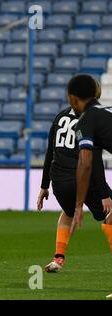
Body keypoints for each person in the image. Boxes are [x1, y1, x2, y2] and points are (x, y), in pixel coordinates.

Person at [37, 79, 112, 272]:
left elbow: (49, 152)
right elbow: (91, 162)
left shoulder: (60, 116)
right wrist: (104, 193)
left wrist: (44, 186)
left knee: (68, 213)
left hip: (59, 181)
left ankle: (58, 258)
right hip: (80, 177)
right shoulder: (91, 119)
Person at [67, 74, 112, 252]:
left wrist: (78, 206)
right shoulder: (106, 112)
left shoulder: (85, 122)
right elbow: (95, 163)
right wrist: (104, 193)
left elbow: (85, 164)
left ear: (73, 98)